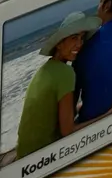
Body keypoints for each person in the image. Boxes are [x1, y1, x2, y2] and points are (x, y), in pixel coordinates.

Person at [15, 13, 100, 159]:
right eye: (74, 38)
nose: (79, 44)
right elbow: (68, 131)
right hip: (42, 158)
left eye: (81, 38)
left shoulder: (45, 69)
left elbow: (52, 114)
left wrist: (79, 107)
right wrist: (110, 113)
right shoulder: (66, 73)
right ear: (59, 44)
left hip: (23, 153)